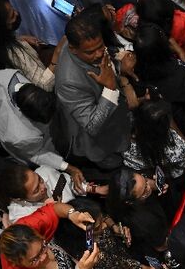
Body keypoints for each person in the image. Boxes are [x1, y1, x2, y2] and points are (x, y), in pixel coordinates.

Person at [0, 70, 86, 189]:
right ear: (23, 112)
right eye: (42, 120)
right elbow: (37, 155)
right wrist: (69, 167)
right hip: (36, 148)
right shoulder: (19, 137)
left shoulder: (7, 77)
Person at [54, 9, 132, 170]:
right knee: (116, 165)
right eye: (90, 52)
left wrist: (119, 66)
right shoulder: (69, 81)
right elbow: (92, 126)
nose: (98, 54)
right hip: (102, 143)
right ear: (73, 49)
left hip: (119, 123)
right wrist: (110, 88)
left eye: (100, 46)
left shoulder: (83, 42)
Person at [0, 0, 65, 92]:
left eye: (13, 9)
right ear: (0, 28)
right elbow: (44, 85)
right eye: (12, 16)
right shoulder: (15, 54)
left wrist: (18, 39)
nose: (16, 13)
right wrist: (57, 54)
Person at [0, 164, 77, 223]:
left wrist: (84, 187)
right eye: (36, 190)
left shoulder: (45, 171)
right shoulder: (20, 216)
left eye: (40, 179)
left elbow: (71, 184)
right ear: (19, 199)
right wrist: (48, 211)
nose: (43, 186)